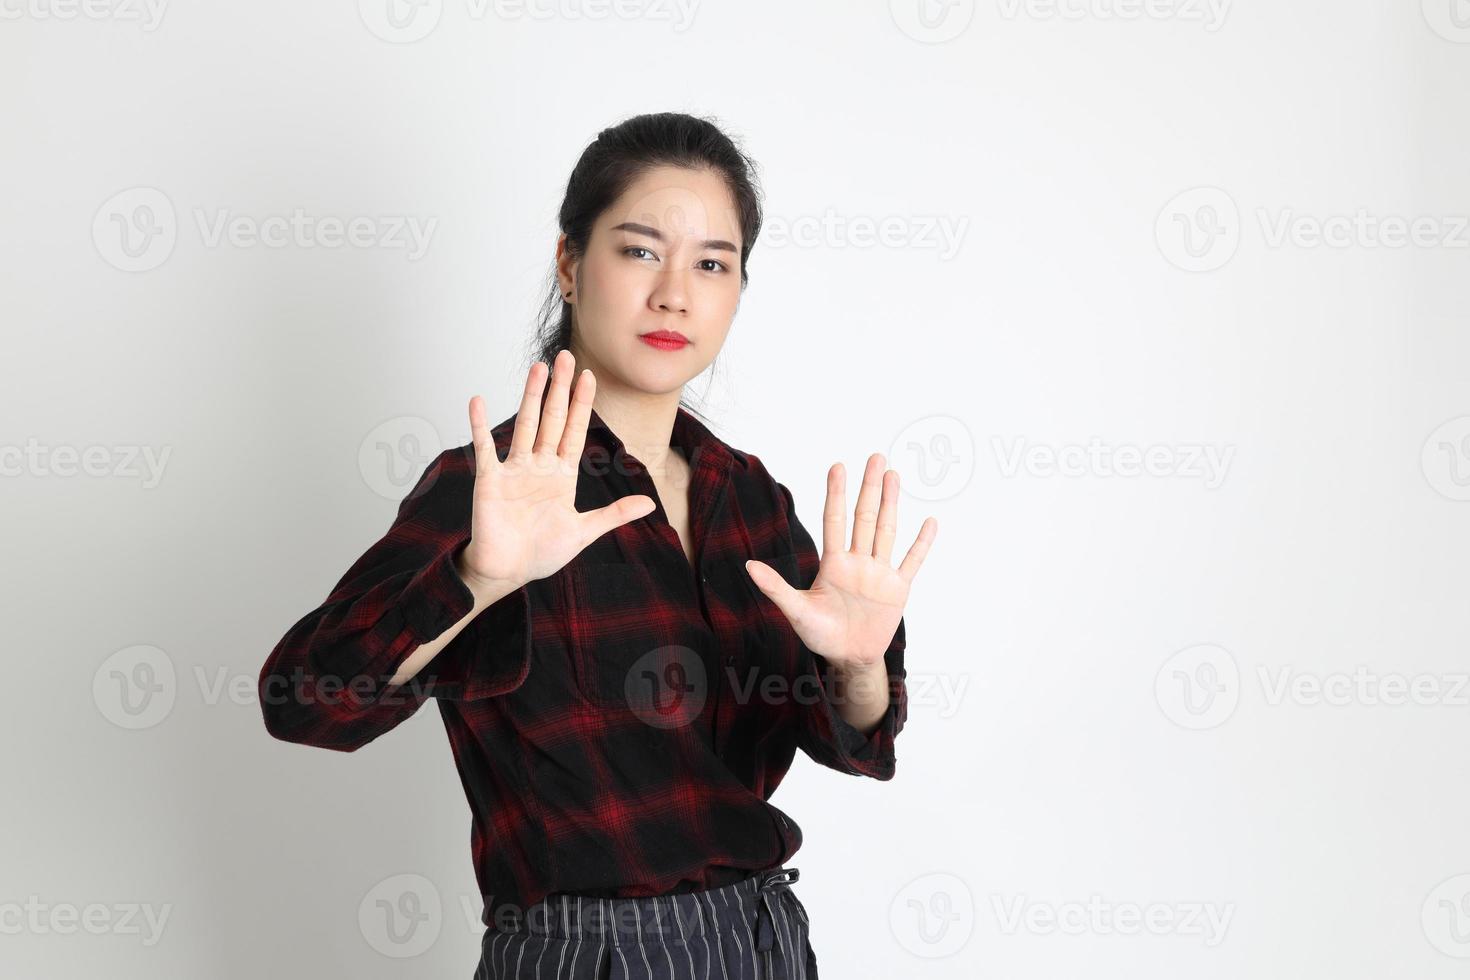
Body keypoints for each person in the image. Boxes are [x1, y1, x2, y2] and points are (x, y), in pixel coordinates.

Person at [258, 111, 937, 979]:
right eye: (640, 250)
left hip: (763, 940)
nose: (675, 294)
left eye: (712, 264)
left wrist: (860, 665)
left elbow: (855, 743)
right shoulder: (494, 487)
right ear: (571, 266)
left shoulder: (749, 494)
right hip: (590, 954)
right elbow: (305, 703)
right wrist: (477, 577)